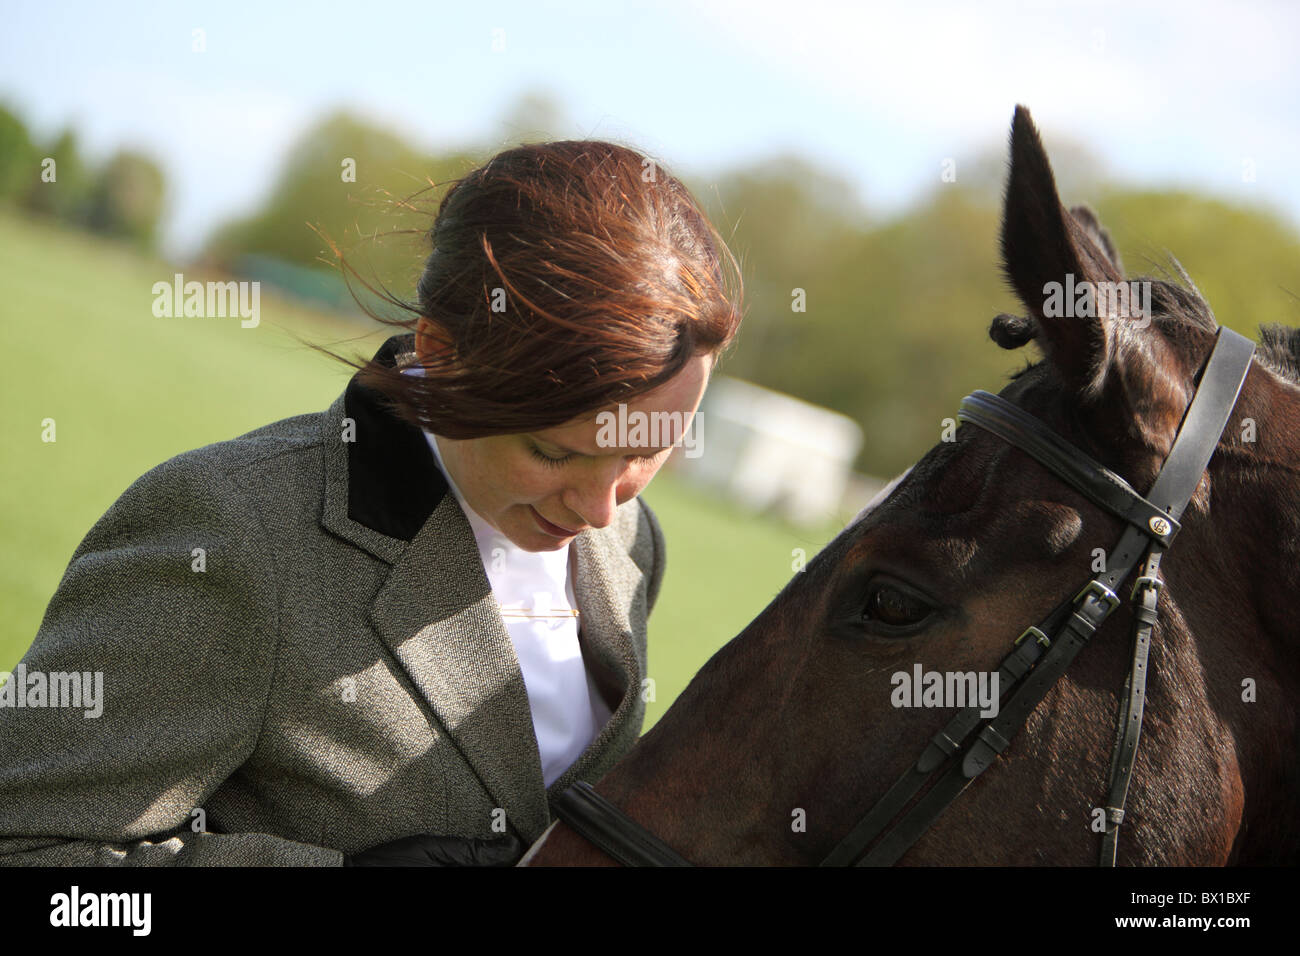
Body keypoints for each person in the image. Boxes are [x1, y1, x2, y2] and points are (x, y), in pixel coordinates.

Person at [0, 140, 742, 865]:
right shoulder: (233, 536)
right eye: (554, 451)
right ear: (442, 350)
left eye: (649, 449)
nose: (603, 509)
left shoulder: (634, 546)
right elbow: (27, 841)